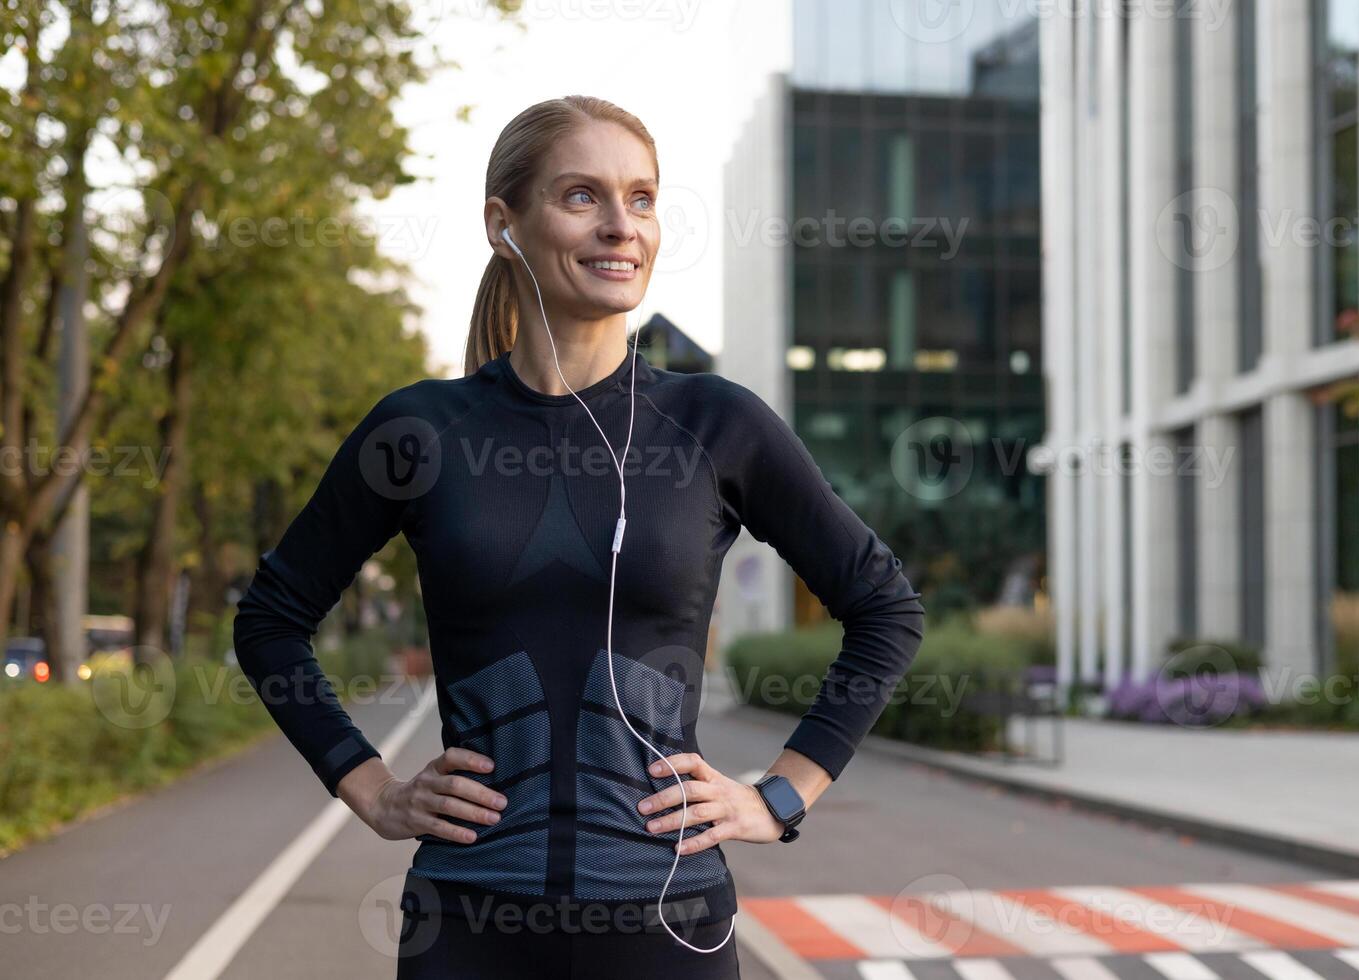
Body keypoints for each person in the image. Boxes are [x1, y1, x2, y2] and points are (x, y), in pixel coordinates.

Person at [232, 95, 926, 979]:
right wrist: (370, 789)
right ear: (503, 223)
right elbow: (270, 618)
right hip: (466, 925)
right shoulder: (420, 431)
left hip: (669, 924)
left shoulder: (716, 425)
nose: (619, 227)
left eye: (640, 199)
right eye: (581, 197)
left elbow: (884, 607)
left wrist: (781, 793)